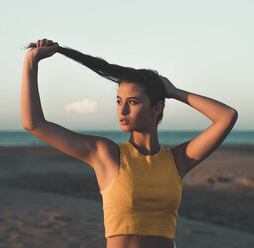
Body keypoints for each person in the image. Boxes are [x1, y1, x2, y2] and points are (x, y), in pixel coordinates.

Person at [21, 38, 238, 248]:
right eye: (119, 102)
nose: (122, 110)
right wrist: (31, 63)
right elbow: (34, 124)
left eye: (132, 102)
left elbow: (227, 116)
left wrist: (174, 91)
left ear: (157, 108)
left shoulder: (177, 160)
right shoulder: (106, 154)